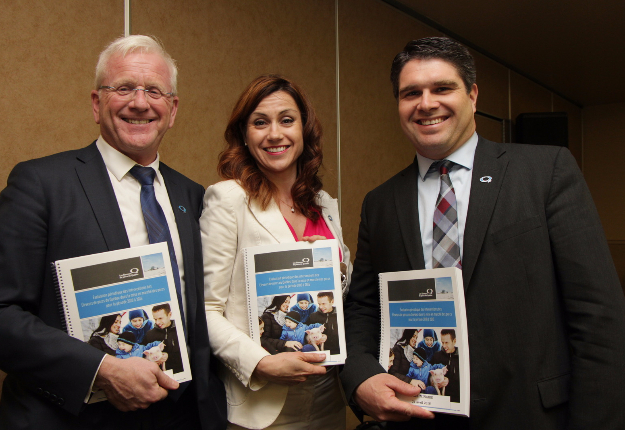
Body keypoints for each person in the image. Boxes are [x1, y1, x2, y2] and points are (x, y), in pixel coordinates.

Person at [341, 36, 625, 429]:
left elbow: (598, 317)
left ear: (473, 95)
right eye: (411, 93)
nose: (426, 103)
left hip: (531, 415)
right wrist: (360, 377)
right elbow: (363, 308)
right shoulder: (381, 202)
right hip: (421, 411)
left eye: (442, 88)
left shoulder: (545, 172)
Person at [0, 35, 226, 429]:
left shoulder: (193, 195)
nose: (140, 103)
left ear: (172, 110)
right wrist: (99, 369)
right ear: (96, 103)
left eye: (154, 91)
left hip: (182, 416)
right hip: (77, 419)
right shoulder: (40, 184)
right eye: (123, 88)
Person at [200, 74, 352, 429]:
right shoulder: (228, 199)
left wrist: (338, 272)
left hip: (329, 392)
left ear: (304, 128)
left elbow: (340, 294)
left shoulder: (324, 204)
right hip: (264, 401)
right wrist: (260, 363)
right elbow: (206, 309)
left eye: (287, 120)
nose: (274, 134)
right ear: (244, 134)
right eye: (260, 123)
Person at [144, 303, 183, 374]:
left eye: (160, 318)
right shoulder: (149, 334)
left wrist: (169, 357)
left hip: (180, 373)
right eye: (155, 319)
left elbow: (187, 353)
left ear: (169, 315)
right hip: (158, 375)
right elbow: (143, 354)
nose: (157, 322)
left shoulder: (180, 329)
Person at [429, 330, 459, 402]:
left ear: (454, 341)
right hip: (438, 399)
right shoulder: (436, 356)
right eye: (442, 342)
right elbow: (427, 373)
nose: (444, 346)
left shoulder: (461, 358)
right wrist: (432, 380)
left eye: (446, 342)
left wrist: (448, 382)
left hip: (455, 399)